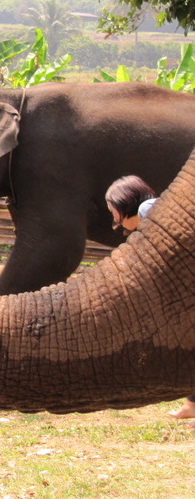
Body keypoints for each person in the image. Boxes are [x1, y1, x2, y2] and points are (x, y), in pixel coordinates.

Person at [105, 175, 195, 426]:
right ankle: (191, 405)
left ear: (122, 203)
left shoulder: (148, 209)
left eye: (111, 209)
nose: (112, 216)